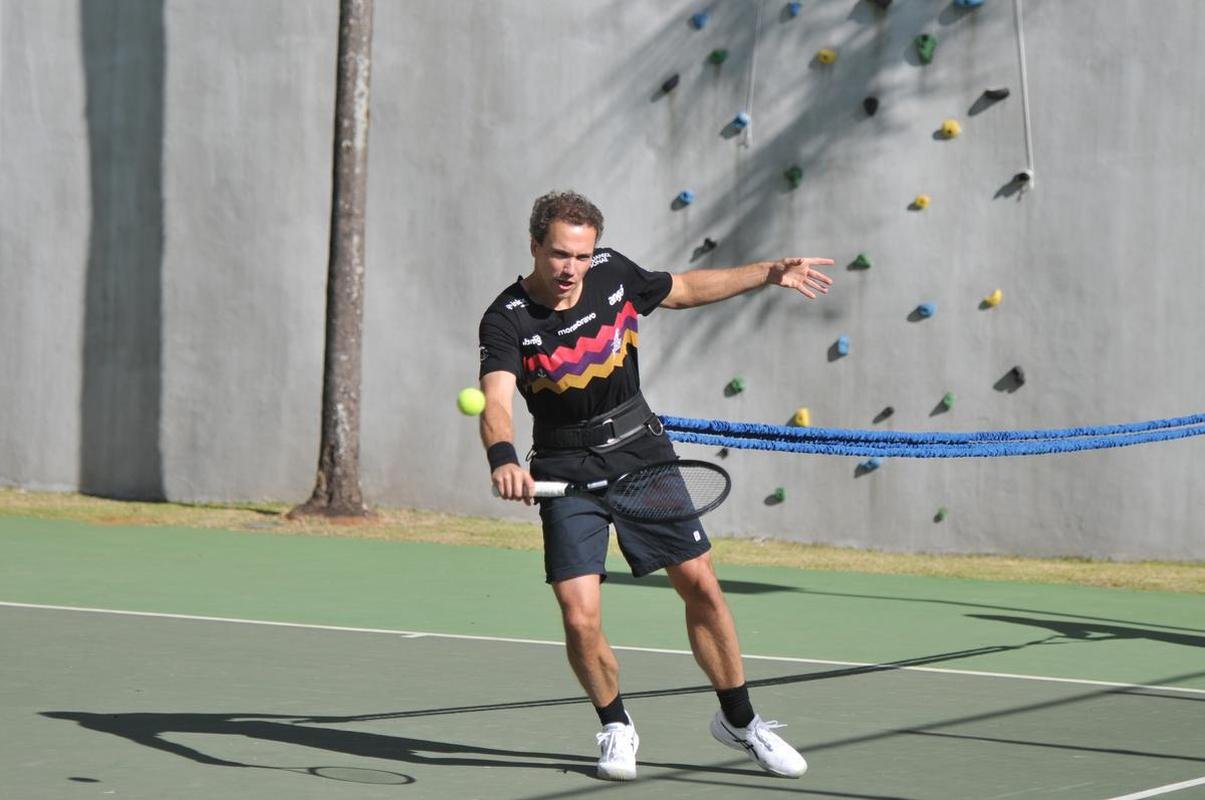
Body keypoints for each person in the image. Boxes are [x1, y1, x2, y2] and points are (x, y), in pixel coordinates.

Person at [477, 190, 833, 781]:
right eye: (560, 254)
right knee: (578, 614)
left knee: (702, 585)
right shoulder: (506, 318)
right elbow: (495, 400)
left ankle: (740, 722)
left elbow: (684, 288)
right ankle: (616, 725)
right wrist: (504, 458)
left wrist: (768, 273)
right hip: (565, 467)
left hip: (641, 452)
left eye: (581, 256)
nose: (571, 269)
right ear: (535, 246)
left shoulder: (612, 272)